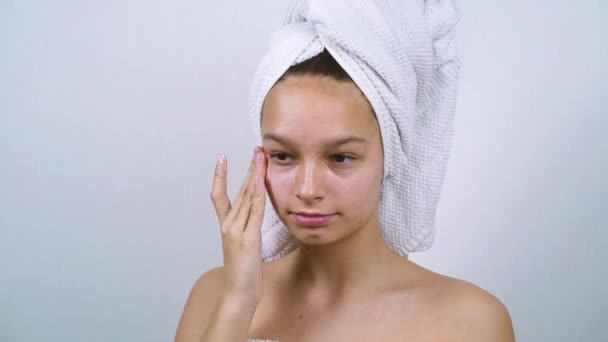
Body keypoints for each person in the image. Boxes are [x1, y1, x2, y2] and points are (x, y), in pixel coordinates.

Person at [176, 2, 515, 341]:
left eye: (340, 158)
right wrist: (239, 301)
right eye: (283, 156)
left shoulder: (470, 321)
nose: (307, 190)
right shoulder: (215, 295)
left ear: (389, 158)